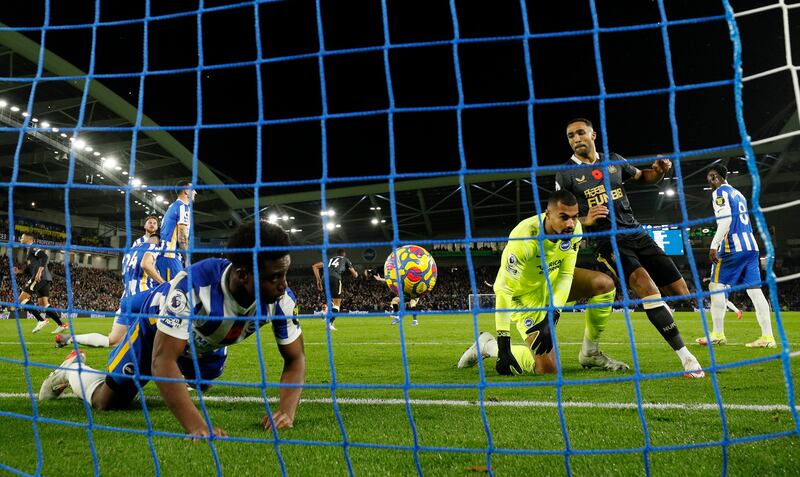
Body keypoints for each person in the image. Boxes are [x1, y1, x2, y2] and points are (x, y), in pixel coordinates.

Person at [39, 221, 306, 437]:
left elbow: (295, 358)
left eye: (284, 274)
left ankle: (189, 369)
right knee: (107, 402)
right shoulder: (193, 287)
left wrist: (287, 411)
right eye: (274, 277)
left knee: (202, 383)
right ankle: (73, 368)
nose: (283, 285)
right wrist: (196, 426)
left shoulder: (281, 300)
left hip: (202, 344)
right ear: (242, 274)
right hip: (154, 329)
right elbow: (162, 360)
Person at [553, 118, 703, 378]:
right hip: (609, 241)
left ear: (593, 135)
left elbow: (643, 177)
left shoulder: (614, 160)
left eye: (580, 133)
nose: (576, 139)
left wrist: (658, 171)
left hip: (638, 234)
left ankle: (655, 310)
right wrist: (586, 220)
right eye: (570, 136)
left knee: (681, 293)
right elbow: (556, 214)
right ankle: (688, 359)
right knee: (646, 287)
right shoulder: (565, 173)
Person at [458, 190, 628, 375]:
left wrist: (552, 315)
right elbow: (504, 291)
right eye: (564, 217)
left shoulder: (574, 229)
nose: (571, 224)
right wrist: (503, 343)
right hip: (525, 297)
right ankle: (488, 345)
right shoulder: (524, 238)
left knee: (604, 284)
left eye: (575, 217)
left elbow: (565, 275)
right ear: (548, 215)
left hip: (553, 281)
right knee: (548, 369)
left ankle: (590, 353)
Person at [696, 164, 774, 348]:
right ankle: (768, 337)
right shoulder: (738, 194)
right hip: (751, 247)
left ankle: (717, 334)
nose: (711, 180)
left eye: (714, 176)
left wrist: (713, 246)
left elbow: (726, 221)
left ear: (723, 176)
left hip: (732, 247)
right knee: (755, 291)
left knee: (715, 286)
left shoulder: (719, 193)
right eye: (709, 177)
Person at [56, 234, 165, 348]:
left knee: (113, 340)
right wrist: (164, 284)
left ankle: (71, 338)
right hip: (144, 295)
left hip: (127, 299)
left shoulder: (131, 253)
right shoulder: (154, 247)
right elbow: (145, 264)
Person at [13, 233, 68, 334]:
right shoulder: (28, 251)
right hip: (46, 278)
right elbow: (30, 269)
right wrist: (19, 271)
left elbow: (45, 257)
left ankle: (41, 320)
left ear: (28, 238)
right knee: (43, 303)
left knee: (21, 299)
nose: (20, 239)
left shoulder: (33, 247)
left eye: (22, 237)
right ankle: (61, 324)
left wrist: (39, 272)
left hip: (40, 277)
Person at [156, 181, 196, 282]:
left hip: (165, 256)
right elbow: (182, 236)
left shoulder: (173, 206)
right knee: (175, 294)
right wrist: (187, 259)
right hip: (171, 257)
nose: (195, 192)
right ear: (186, 191)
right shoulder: (183, 207)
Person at [312, 249, 357, 331]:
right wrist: (356, 274)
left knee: (330, 302)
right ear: (344, 254)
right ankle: (329, 323)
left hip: (324, 279)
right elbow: (354, 274)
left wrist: (318, 280)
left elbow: (314, 266)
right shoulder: (345, 259)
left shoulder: (330, 260)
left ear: (336, 254)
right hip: (335, 278)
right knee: (337, 304)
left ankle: (324, 312)